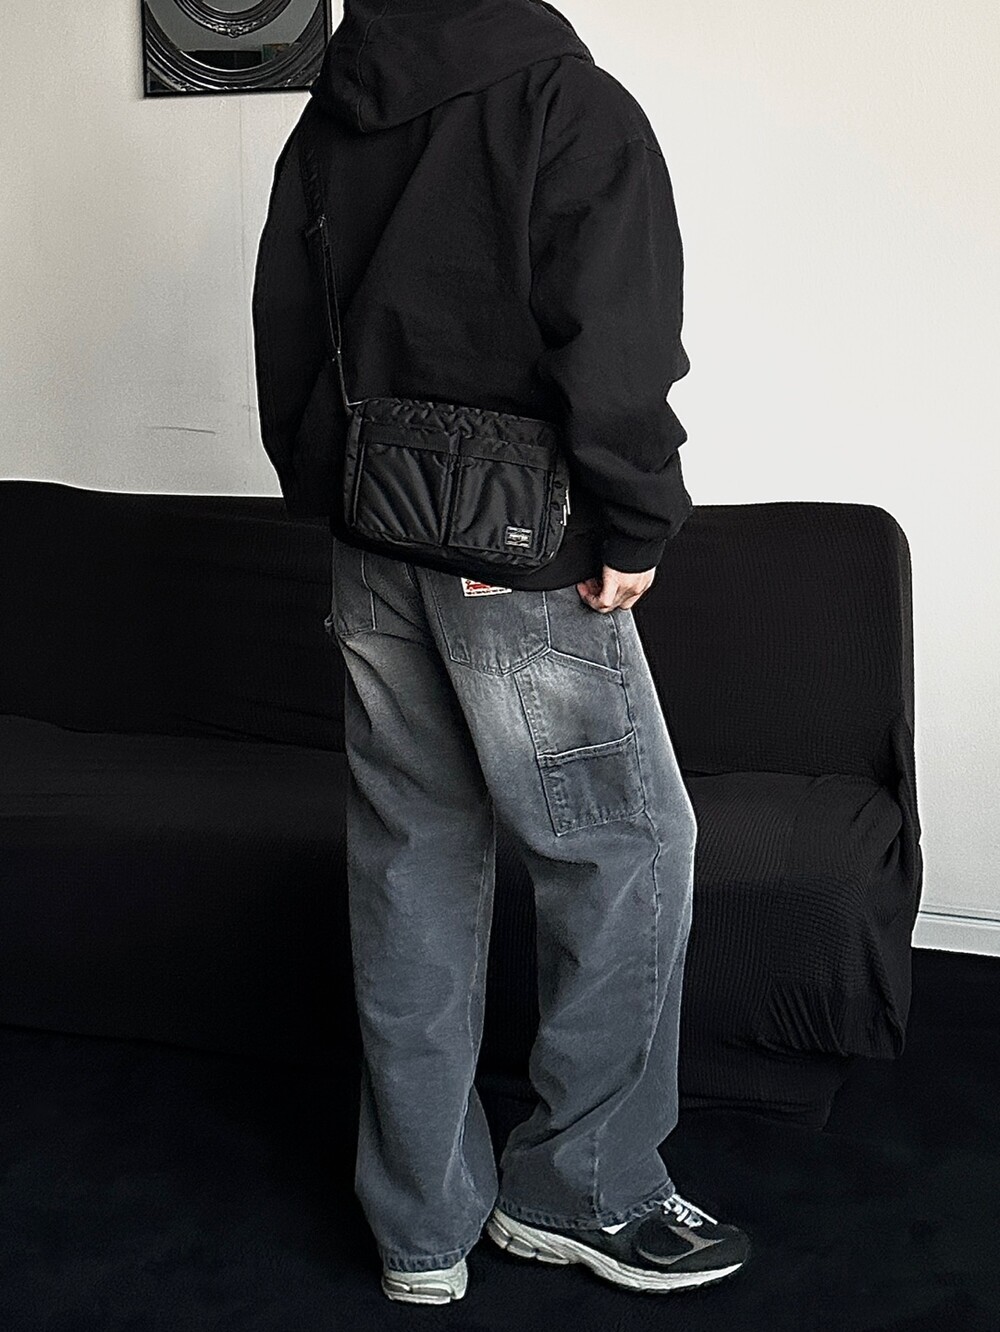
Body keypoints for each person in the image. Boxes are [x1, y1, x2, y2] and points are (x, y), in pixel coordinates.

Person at [252, 0, 751, 1306]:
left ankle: (421, 1232)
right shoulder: (567, 105)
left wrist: (342, 500)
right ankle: (583, 1189)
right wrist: (635, 519)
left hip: (373, 539)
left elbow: (287, 329)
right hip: (520, 549)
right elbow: (619, 337)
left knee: (412, 867)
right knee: (628, 852)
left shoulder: (333, 110)